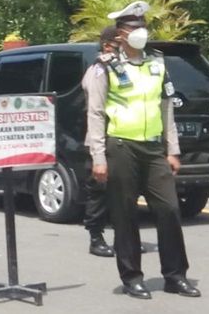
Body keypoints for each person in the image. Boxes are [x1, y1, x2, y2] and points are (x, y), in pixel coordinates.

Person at [84, 1, 200, 299]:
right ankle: (132, 277)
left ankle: (175, 275)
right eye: (133, 28)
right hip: (121, 146)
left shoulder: (157, 63)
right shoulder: (103, 67)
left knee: (170, 209)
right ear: (120, 34)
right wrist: (98, 157)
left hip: (153, 148)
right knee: (125, 214)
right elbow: (95, 114)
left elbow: (166, 110)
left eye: (143, 27)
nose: (140, 32)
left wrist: (172, 149)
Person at [81, 26, 119, 258]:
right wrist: (98, 152)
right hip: (101, 139)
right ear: (107, 45)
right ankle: (96, 237)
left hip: (123, 136)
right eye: (118, 42)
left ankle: (124, 236)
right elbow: (95, 111)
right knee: (100, 190)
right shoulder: (99, 70)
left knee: (124, 191)